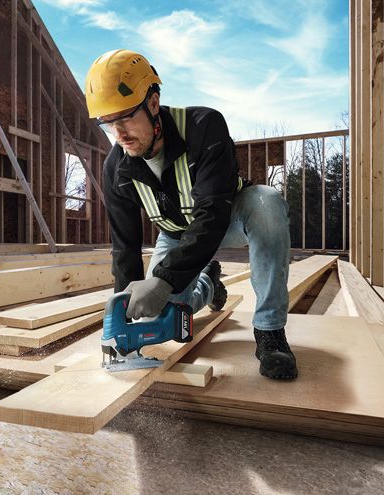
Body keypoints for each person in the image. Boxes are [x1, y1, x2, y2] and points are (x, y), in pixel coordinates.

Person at [85, 49, 297, 380]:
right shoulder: (115, 169)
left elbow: (212, 214)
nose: (119, 133)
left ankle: (270, 332)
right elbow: (124, 245)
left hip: (229, 218)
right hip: (175, 234)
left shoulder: (203, 126)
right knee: (168, 315)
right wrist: (124, 309)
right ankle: (208, 284)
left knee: (267, 203)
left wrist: (164, 278)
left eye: (126, 117)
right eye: (109, 122)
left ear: (153, 103)